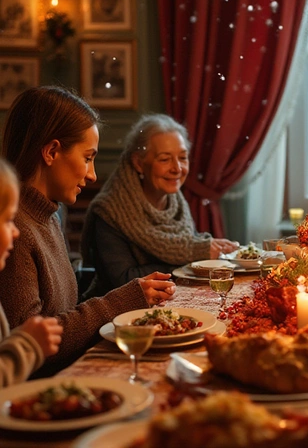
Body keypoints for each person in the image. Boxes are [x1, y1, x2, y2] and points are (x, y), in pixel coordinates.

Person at [0, 86, 176, 376]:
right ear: (52, 151)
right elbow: (35, 349)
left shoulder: (49, 214)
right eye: (87, 157)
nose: (92, 174)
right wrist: (123, 300)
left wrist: (130, 296)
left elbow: (65, 314)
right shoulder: (15, 231)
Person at [81, 113, 238, 298]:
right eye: (165, 159)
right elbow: (124, 281)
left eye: (183, 158)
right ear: (139, 163)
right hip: (118, 315)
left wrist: (205, 251)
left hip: (171, 300)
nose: (177, 169)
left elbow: (187, 249)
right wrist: (195, 255)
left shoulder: (176, 203)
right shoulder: (110, 211)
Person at [0, 158, 63, 386]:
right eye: (7, 221)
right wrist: (28, 345)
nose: (15, 232)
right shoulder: (27, 233)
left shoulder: (52, 220)